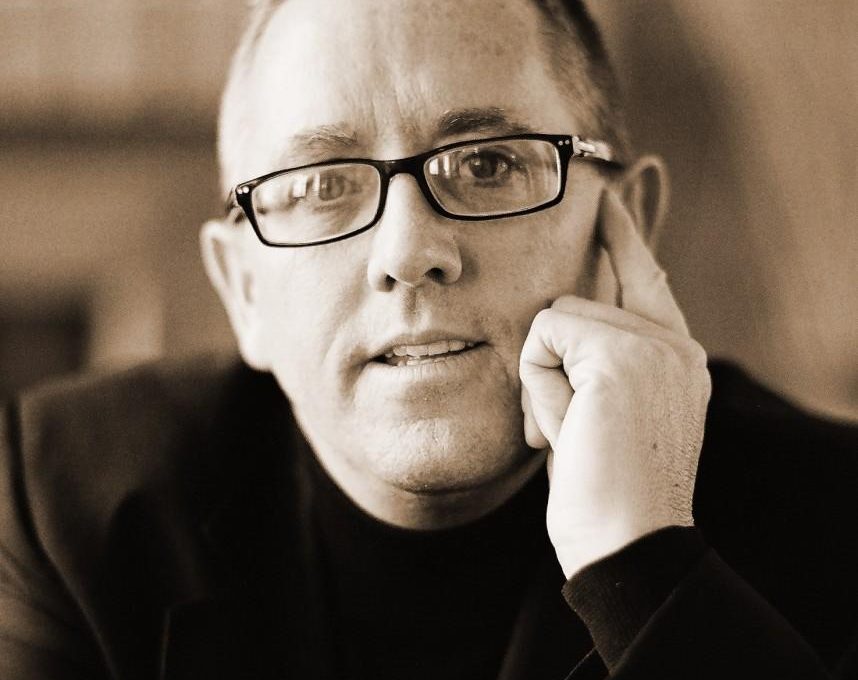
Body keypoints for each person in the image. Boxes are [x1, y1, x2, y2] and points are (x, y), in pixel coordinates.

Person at [1, 1, 857, 678]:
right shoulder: (55, 502)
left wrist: (646, 566)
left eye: (488, 164)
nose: (409, 253)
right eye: (322, 185)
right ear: (244, 289)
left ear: (627, 226)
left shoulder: (837, 517)